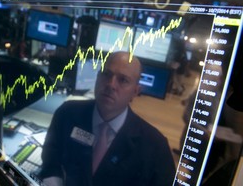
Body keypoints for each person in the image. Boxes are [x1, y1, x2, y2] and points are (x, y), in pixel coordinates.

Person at [39, 51, 176, 186]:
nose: (111, 84)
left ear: (135, 92)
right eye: (106, 74)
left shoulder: (156, 147)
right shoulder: (67, 113)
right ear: (98, 77)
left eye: (123, 80)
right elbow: (50, 154)